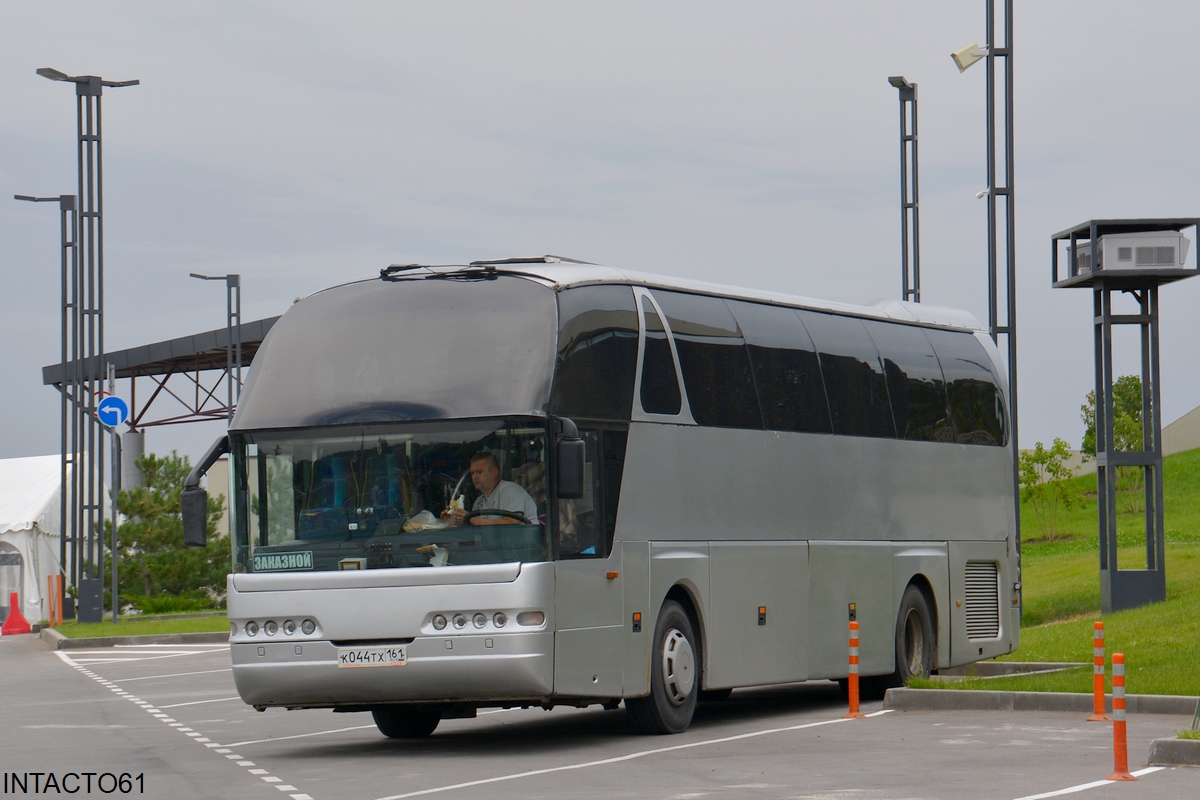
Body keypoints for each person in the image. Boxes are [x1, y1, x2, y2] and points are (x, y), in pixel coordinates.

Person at [443, 451, 538, 526]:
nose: (475, 477)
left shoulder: (509, 490)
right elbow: (475, 529)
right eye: (472, 473)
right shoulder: (479, 501)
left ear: (494, 472)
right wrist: (454, 520)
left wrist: (473, 519)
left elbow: (512, 522)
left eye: (479, 472)